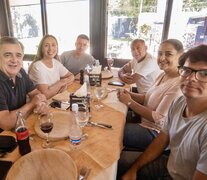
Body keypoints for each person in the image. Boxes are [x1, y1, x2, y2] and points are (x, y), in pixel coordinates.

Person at [121, 44, 207, 180]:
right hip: (168, 166)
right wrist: (134, 169)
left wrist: (129, 102)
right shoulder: (178, 104)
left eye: (204, 74)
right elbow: (161, 140)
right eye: (187, 70)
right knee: (115, 161)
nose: (191, 79)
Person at [117, 39, 184, 152]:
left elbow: (159, 119)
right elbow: (146, 97)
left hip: (154, 133)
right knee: (114, 118)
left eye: (168, 54)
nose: (162, 58)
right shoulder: (163, 75)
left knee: (114, 130)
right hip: (143, 120)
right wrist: (129, 94)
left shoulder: (178, 85)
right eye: (159, 53)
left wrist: (129, 101)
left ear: (180, 56)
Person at [0, 37, 48, 132]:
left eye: (18, 55)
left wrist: (41, 104)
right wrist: (32, 104)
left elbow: (37, 94)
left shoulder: (21, 72)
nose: (14, 60)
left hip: (21, 128)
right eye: (7, 55)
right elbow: (6, 123)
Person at [29, 35, 74, 99]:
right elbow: (45, 95)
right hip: (39, 105)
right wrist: (62, 82)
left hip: (55, 99)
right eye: (46, 45)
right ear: (41, 48)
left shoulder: (56, 62)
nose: (50, 49)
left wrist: (65, 84)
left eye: (53, 45)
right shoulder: (37, 66)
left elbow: (71, 76)